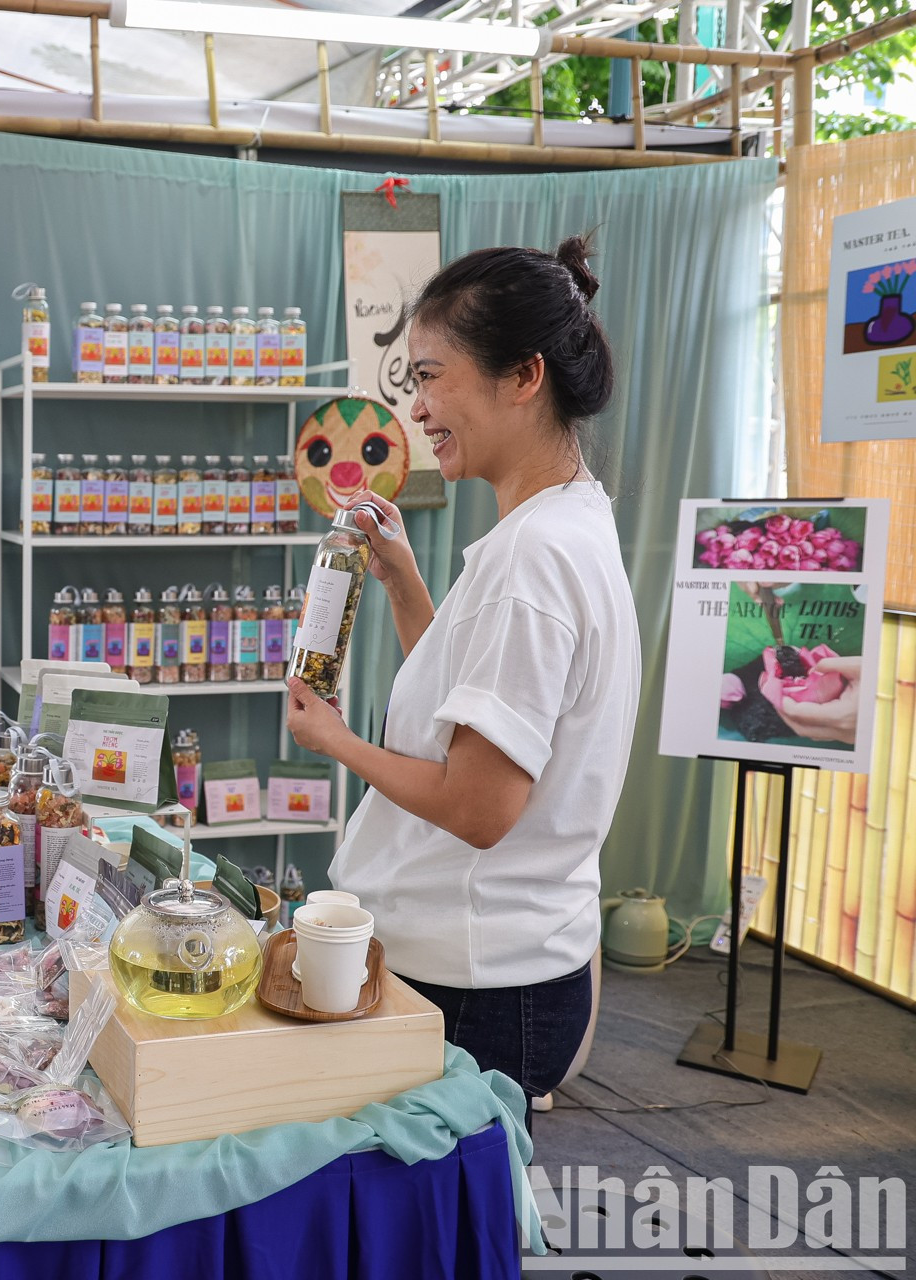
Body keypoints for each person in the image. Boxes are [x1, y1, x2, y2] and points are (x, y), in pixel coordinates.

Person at [284, 236, 639, 1131]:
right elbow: (472, 698)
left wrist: (337, 742)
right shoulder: (565, 523)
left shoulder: (533, 560)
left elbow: (481, 806)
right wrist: (404, 578)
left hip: (481, 984)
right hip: (503, 966)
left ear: (523, 376)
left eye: (433, 378)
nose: (418, 409)